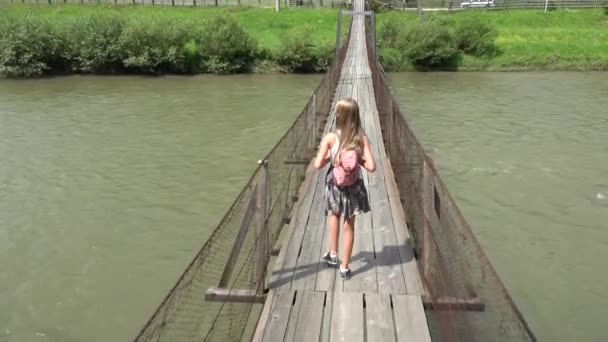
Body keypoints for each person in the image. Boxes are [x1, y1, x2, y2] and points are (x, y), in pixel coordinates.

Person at [313, 97, 376, 280]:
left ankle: (333, 254)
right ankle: (345, 267)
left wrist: (333, 160)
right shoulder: (360, 138)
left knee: (334, 214)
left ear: (338, 116)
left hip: (335, 186)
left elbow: (318, 165)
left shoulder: (331, 138)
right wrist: (357, 161)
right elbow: (371, 167)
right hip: (354, 187)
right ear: (356, 116)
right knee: (349, 225)